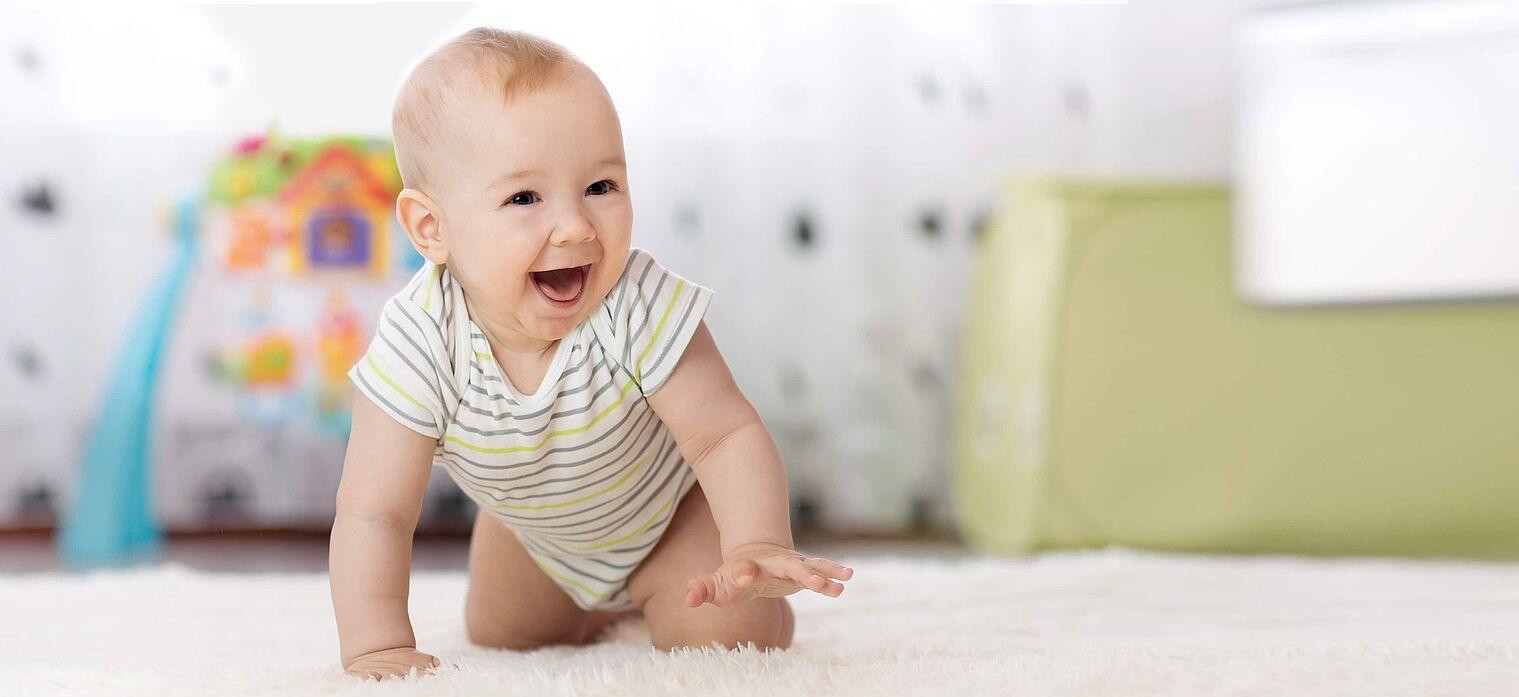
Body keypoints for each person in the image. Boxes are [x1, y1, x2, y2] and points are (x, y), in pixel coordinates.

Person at [328, 27, 854, 680]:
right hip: (539, 541)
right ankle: (595, 605)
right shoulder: (418, 339)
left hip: (668, 518)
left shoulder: (636, 301)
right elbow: (373, 511)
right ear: (432, 229)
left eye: (600, 186)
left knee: (725, 635)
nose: (576, 225)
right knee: (500, 635)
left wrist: (754, 542)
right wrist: (375, 643)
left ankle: (684, 591)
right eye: (524, 198)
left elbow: (723, 435)